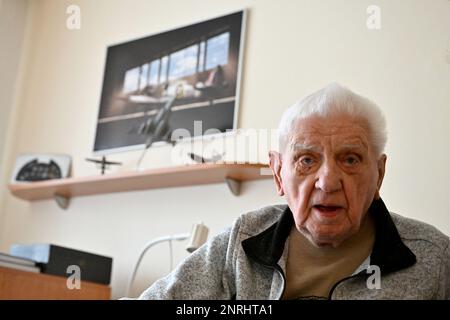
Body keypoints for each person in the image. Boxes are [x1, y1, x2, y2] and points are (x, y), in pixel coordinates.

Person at [135, 83, 449, 300]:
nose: (327, 182)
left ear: (378, 175)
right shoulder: (241, 241)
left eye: (350, 159)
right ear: (278, 174)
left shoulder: (434, 259)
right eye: (307, 160)